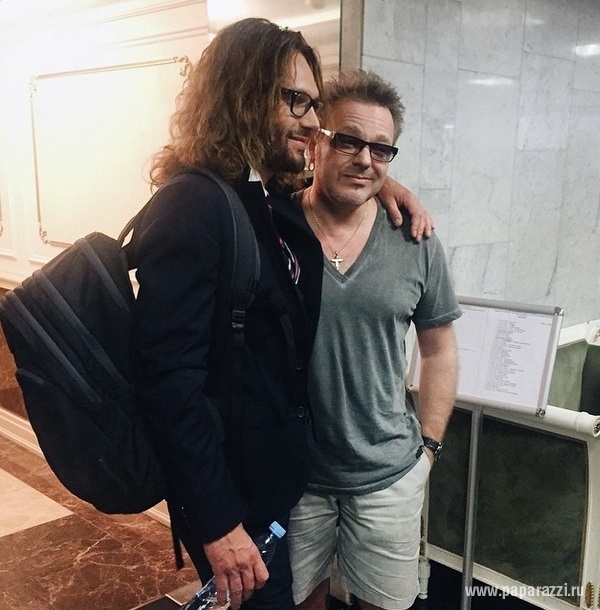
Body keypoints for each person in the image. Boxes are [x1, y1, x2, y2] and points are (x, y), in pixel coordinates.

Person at [131, 18, 432, 610]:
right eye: (296, 100)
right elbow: (167, 383)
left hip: (273, 489)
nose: (312, 121)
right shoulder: (193, 204)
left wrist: (382, 180)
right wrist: (218, 523)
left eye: (314, 105)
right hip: (233, 503)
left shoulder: (257, 197)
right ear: (242, 95)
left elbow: (333, 175)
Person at [287, 69, 461, 610]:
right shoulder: (273, 226)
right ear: (316, 142)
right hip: (294, 477)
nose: (365, 159)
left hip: (389, 475)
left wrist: (429, 449)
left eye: (381, 149)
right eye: (348, 140)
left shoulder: (416, 240)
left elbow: (439, 350)